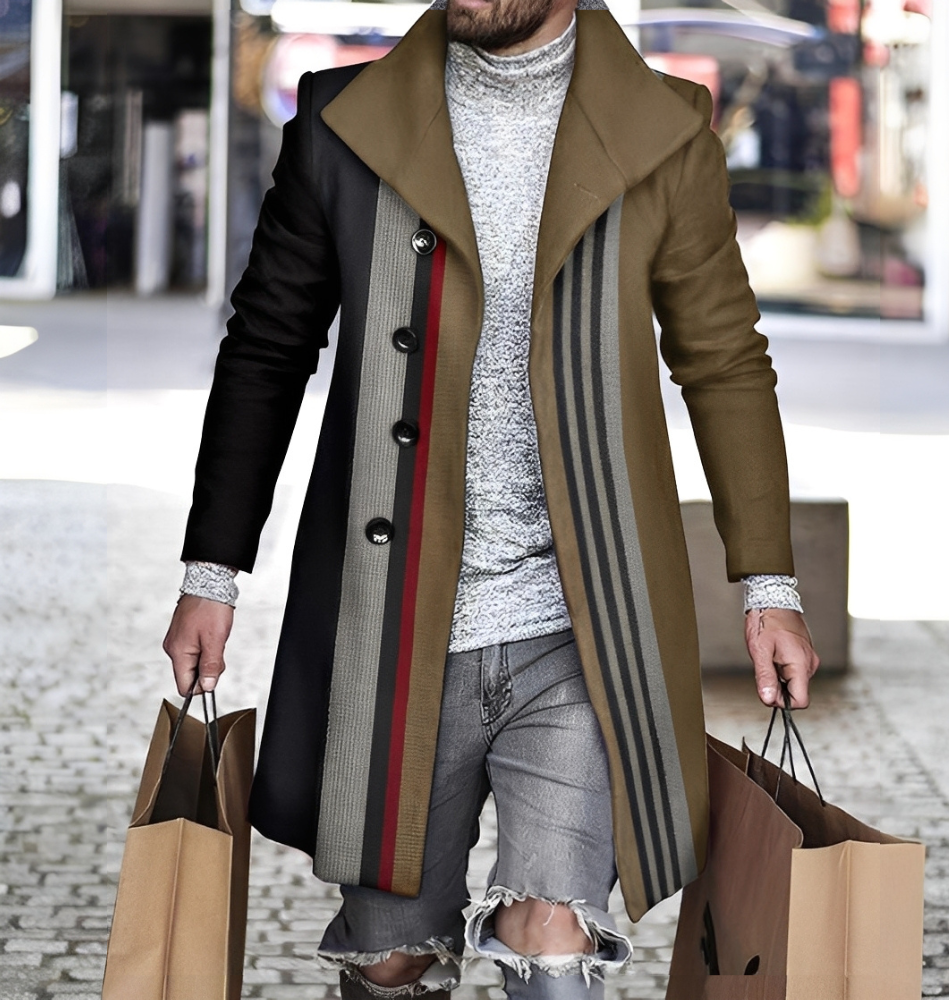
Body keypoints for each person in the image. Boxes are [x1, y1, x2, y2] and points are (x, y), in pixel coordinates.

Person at [163, 0, 820, 995]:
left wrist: (769, 586)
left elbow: (724, 358)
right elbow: (267, 346)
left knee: (553, 943)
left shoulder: (665, 131)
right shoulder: (342, 123)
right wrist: (212, 573)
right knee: (392, 957)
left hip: (579, 633)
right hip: (392, 632)